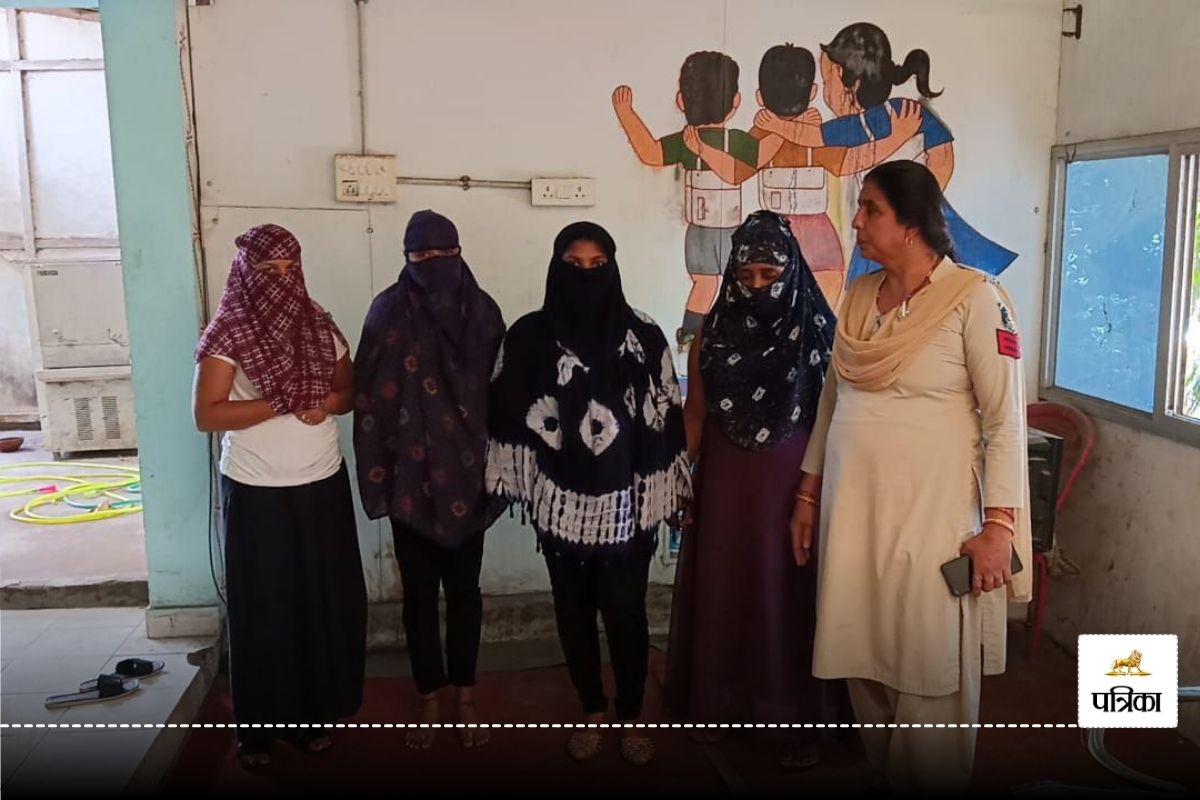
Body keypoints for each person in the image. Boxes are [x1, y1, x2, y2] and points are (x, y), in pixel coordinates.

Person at [792, 161, 1033, 794]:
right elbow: (832, 402)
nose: (856, 222)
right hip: (854, 515)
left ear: (911, 223)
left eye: (870, 209)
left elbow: (1005, 421)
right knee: (862, 656)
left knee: (929, 665)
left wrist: (999, 527)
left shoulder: (975, 299)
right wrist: (808, 493)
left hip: (934, 520)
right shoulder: (859, 296)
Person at [486, 222, 690, 766]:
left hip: (631, 505)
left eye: (598, 265)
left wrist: (669, 492)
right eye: (574, 265)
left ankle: (631, 712)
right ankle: (592, 709)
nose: (586, 275)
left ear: (613, 267)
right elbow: (506, 410)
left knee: (625, 610)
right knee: (573, 611)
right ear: (556, 268)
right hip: (561, 507)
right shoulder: (528, 337)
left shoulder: (643, 335)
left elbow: (666, 413)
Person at [665, 210, 838, 768]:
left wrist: (814, 494)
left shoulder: (820, 331)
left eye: (771, 275)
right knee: (725, 591)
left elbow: (836, 424)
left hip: (795, 492)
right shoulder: (712, 334)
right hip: (724, 488)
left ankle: (793, 721)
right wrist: (678, 479)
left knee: (785, 595)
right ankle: (718, 705)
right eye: (746, 276)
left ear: (793, 271)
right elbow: (696, 413)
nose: (758, 287)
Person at [192, 223, 367, 770]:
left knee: (319, 603)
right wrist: (281, 403)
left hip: (321, 480)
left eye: (290, 270)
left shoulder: (319, 324)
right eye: (268, 271)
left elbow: (347, 392)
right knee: (263, 607)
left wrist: (326, 404)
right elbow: (208, 414)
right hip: (256, 487)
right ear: (246, 272)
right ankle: (258, 733)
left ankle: (313, 718)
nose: (281, 281)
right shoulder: (228, 333)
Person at [352, 210, 505, 750]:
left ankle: (466, 696)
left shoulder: (483, 313)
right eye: (421, 256)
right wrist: (381, 468)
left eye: (444, 254)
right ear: (406, 257)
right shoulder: (387, 311)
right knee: (418, 596)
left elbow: (503, 393)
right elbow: (366, 393)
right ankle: (429, 696)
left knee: (465, 592)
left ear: (459, 253)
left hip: (470, 476)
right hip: (409, 479)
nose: (433, 264)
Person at [753, 22, 1017, 285]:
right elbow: (943, 155)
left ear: (847, 80)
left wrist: (776, 125)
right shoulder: (900, 112)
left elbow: (816, 138)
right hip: (900, 228)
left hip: (896, 232)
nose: (824, 93)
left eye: (825, 81)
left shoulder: (872, 121)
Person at [613, 51, 760, 348]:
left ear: (681, 100)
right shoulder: (736, 140)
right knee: (732, 284)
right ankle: (710, 339)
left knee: (706, 284)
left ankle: (691, 339)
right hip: (725, 229)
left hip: (705, 230)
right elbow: (748, 166)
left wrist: (626, 114)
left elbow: (650, 153)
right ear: (736, 101)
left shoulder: (689, 140)